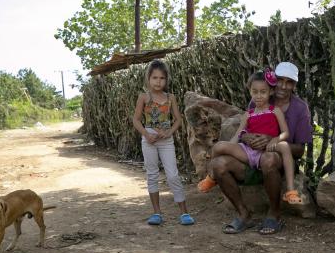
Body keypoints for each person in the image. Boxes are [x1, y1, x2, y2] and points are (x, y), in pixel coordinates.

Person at [205, 62, 313, 235]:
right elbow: (245, 127)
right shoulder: (259, 96)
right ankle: (243, 214)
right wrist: (246, 137)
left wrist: (272, 141)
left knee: (269, 159)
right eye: (280, 80)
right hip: (250, 155)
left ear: (295, 85)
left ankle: (274, 214)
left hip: (278, 160)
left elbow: (299, 150)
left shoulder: (300, 108)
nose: (283, 86)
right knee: (218, 164)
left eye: (289, 82)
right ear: (272, 81)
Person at [210, 69, 303, 204]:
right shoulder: (248, 114)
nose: (258, 96)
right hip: (248, 153)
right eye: (255, 92)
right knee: (219, 146)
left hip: (267, 151)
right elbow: (238, 135)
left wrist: (275, 139)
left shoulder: (275, 111)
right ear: (250, 92)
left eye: (263, 92)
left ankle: (290, 190)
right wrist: (232, 146)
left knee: (284, 146)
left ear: (271, 92)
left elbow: (285, 133)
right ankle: (211, 176)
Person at [132, 59, 195, 226]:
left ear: (166, 80)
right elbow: (136, 120)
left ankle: (184, 212)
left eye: (161, 78)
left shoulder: (170, 98)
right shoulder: (144, 97)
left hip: (166, 140)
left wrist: (169, 132)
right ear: (148, 79)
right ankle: (157, 213)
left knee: (173, 174)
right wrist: (146, 134)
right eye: (154, 78)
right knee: (152, 174)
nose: (158, 81)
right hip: (149, 140)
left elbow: (178, 120)